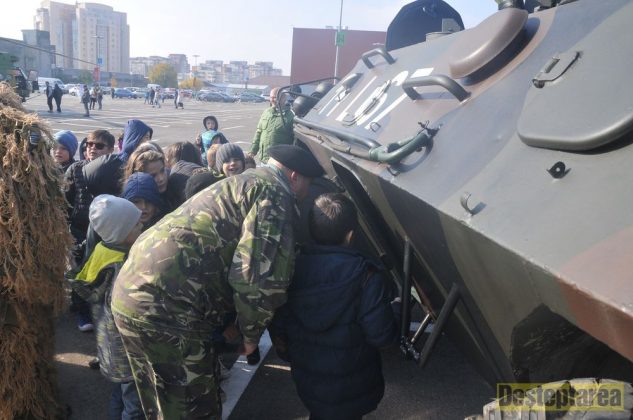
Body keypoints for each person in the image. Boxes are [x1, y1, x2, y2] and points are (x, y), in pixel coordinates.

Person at [111, 144, 324, 419]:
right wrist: (250, 335)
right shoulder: (274, 194)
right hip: (168, 309)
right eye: (308, 182)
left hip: (131, 291)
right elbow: (256, 281)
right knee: (193, 410)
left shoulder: (242, 182)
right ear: (294, 176)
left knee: (159, 403)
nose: (307, 190)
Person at [270, 193, 399, 420]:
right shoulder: (366, 275)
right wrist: (396, 311)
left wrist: (292, 356)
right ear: (350, 235)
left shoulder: (291, 269)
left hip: (309, 381)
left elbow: (279, 325)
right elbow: (382, 336)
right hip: (354, 386)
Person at [66, 195, 144, 420]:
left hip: (110, 346)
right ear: (121, 233)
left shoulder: (101, 251)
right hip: (128, 349)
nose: (142, 226)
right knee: (134, 403)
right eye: (136, 225)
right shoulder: (123, 265)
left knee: (120, 393)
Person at [64, 129, 117, 331]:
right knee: (80, 270)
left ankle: (101, 310)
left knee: (103, 274)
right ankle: (82, 313)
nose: (92, 148)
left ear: (110, 150)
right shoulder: (75, 169)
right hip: (79, 229)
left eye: (99, 145)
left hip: (105, 231)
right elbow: (65, 200)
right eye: (89, 144)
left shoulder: (114, 171)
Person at [249, 87, 294, 163]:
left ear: (283, 98)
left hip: (279, 162)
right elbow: (259, 132)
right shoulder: (267, 112)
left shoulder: (291, 116)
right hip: (264, 159)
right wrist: (252, 151)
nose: (272, 100)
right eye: (271, 97)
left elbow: (295, 140)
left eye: (274, 97)